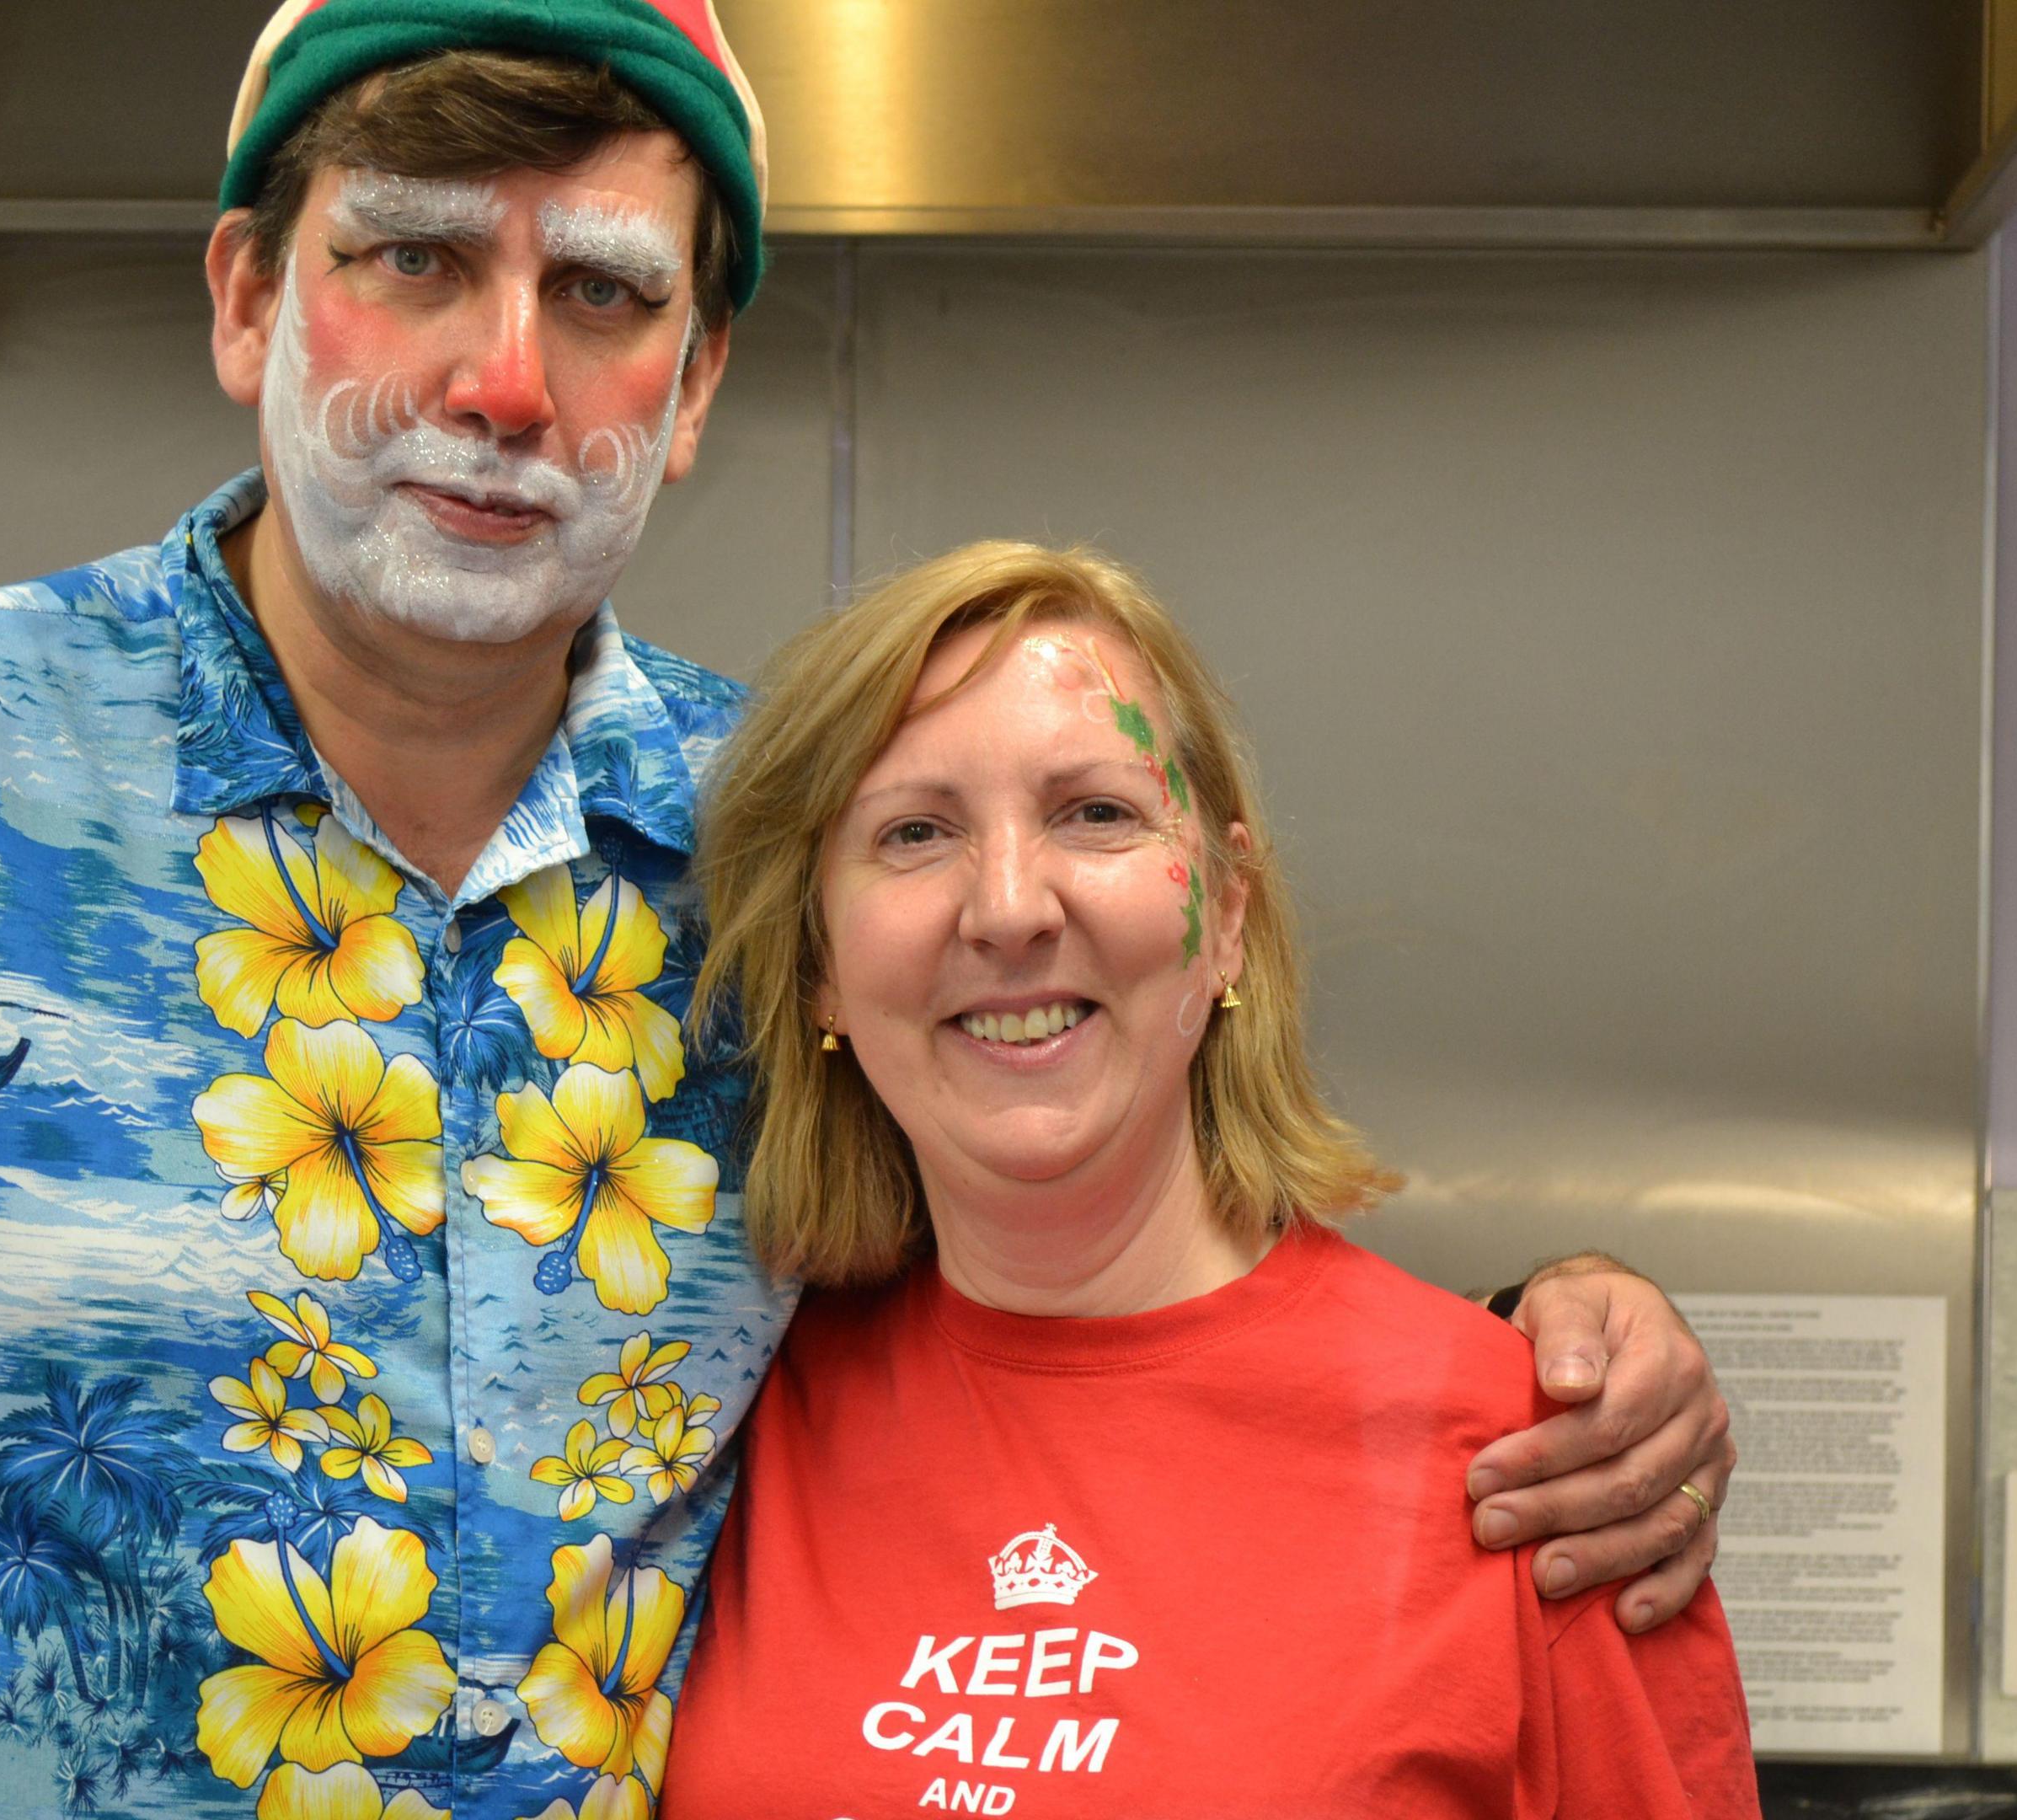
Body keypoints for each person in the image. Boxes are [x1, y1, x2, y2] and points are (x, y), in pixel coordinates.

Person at [0, 5, 1733, 1817]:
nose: (505, 378)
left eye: (604, 293)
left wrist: (1558, 1328)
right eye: (415, 255)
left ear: (700, 378)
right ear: (252, 292)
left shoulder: (791, 850)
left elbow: (1114, 1270)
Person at [663, 543, 1757, 1817]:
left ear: (1228, 911)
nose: (1008, 908)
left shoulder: (1537, 1467)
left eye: (1096, 813)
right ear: (819, 973)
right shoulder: (712, 1412)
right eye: (915, 832)